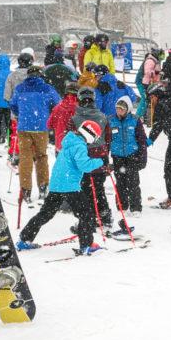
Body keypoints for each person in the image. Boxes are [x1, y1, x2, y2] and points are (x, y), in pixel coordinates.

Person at [17, 119, 104, 255]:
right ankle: (86, 244)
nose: (94, 141)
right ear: (90, 134)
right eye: (95, 137)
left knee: (45, 214)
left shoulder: (69, 143)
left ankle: (25, 239)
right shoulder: (79, 146)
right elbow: (84, 166)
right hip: (70, 186)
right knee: (86, 214)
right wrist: (100, 162)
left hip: (56, 186)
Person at [9, 65, 60, 203]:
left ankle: (26, 190)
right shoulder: (47, 88)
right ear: (40, 75)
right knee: (41, 156)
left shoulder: (20, 88)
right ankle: (43, 187)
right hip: (41, 127)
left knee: (25, 157)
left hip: (24, 127)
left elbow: (12, 104)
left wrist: (21, 114)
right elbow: (57, 103)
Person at [73, 87, 112, 228]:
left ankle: (88, 217)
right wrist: (105, 154)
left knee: (84, 188)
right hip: (100, 155)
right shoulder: (102, 116)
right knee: (98, 187)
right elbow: (108, 138)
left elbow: (72, 139)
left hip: (83, 156)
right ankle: (104, 214)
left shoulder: (75, 118)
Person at [108, 95, 147, 233]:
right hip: (118, 156)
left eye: (122, 109)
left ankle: (136, 207)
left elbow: (142, 140)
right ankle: (122, 205)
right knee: (120, 182)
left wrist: (142, 157)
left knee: (133, 182)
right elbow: (107, 140)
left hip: (132, 155)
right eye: (118, 108)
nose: (119, 111)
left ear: (128, 109)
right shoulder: (111, 120)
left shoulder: (135, 121)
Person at [47, 81, 79, 152]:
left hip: (60, 145)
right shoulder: (80, 109)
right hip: (76, 147)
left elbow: (49, 124)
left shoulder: (57, 108)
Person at [135, 48, 163, 117]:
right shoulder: (150, 61)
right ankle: (137, 116)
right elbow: (147, 72)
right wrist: (156, 72)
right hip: (142, 82)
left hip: (148, 83)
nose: (162, 58)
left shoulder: (156, 61)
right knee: (145, 98)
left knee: (147, 99)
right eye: (161, 55)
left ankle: (144, 116)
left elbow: (156, 75)